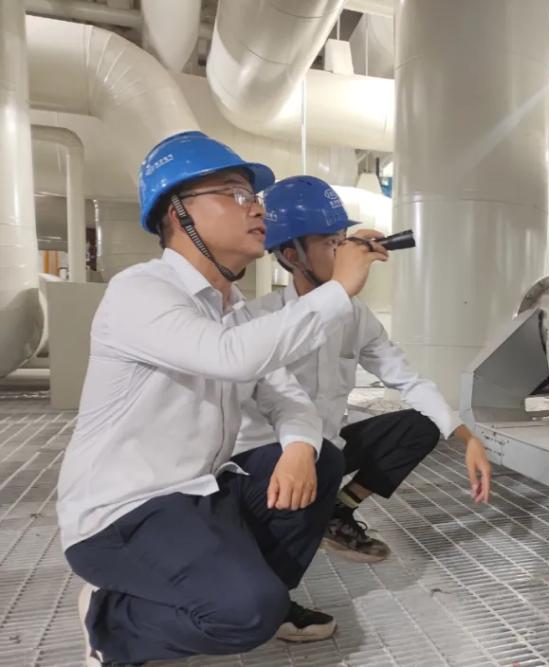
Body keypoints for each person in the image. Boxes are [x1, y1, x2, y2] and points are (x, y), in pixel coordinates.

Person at [56, 131, 387, 666]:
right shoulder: (141, 291)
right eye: (235, 194)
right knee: (244, 613)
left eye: (253, 196)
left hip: (200, 493)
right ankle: (111, 619)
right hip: (124, 513)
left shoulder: (229, 308)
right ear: (178, 212)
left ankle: (264, 597)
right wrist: (337, 290)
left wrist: (300, 447)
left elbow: (288, 398)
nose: (256, 208)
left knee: (322, 458)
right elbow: (230, 357)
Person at [235, 175, 493, 563]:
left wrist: (467, 438)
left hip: (327, 453)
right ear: (291, 255)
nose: (343, 253)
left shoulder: (356, 317)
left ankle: (337, 511)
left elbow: (408, 379)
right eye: (330, 244)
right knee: (265, 563)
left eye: (343, 240)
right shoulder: (260, 319)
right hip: (271, 458)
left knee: (419, 425)